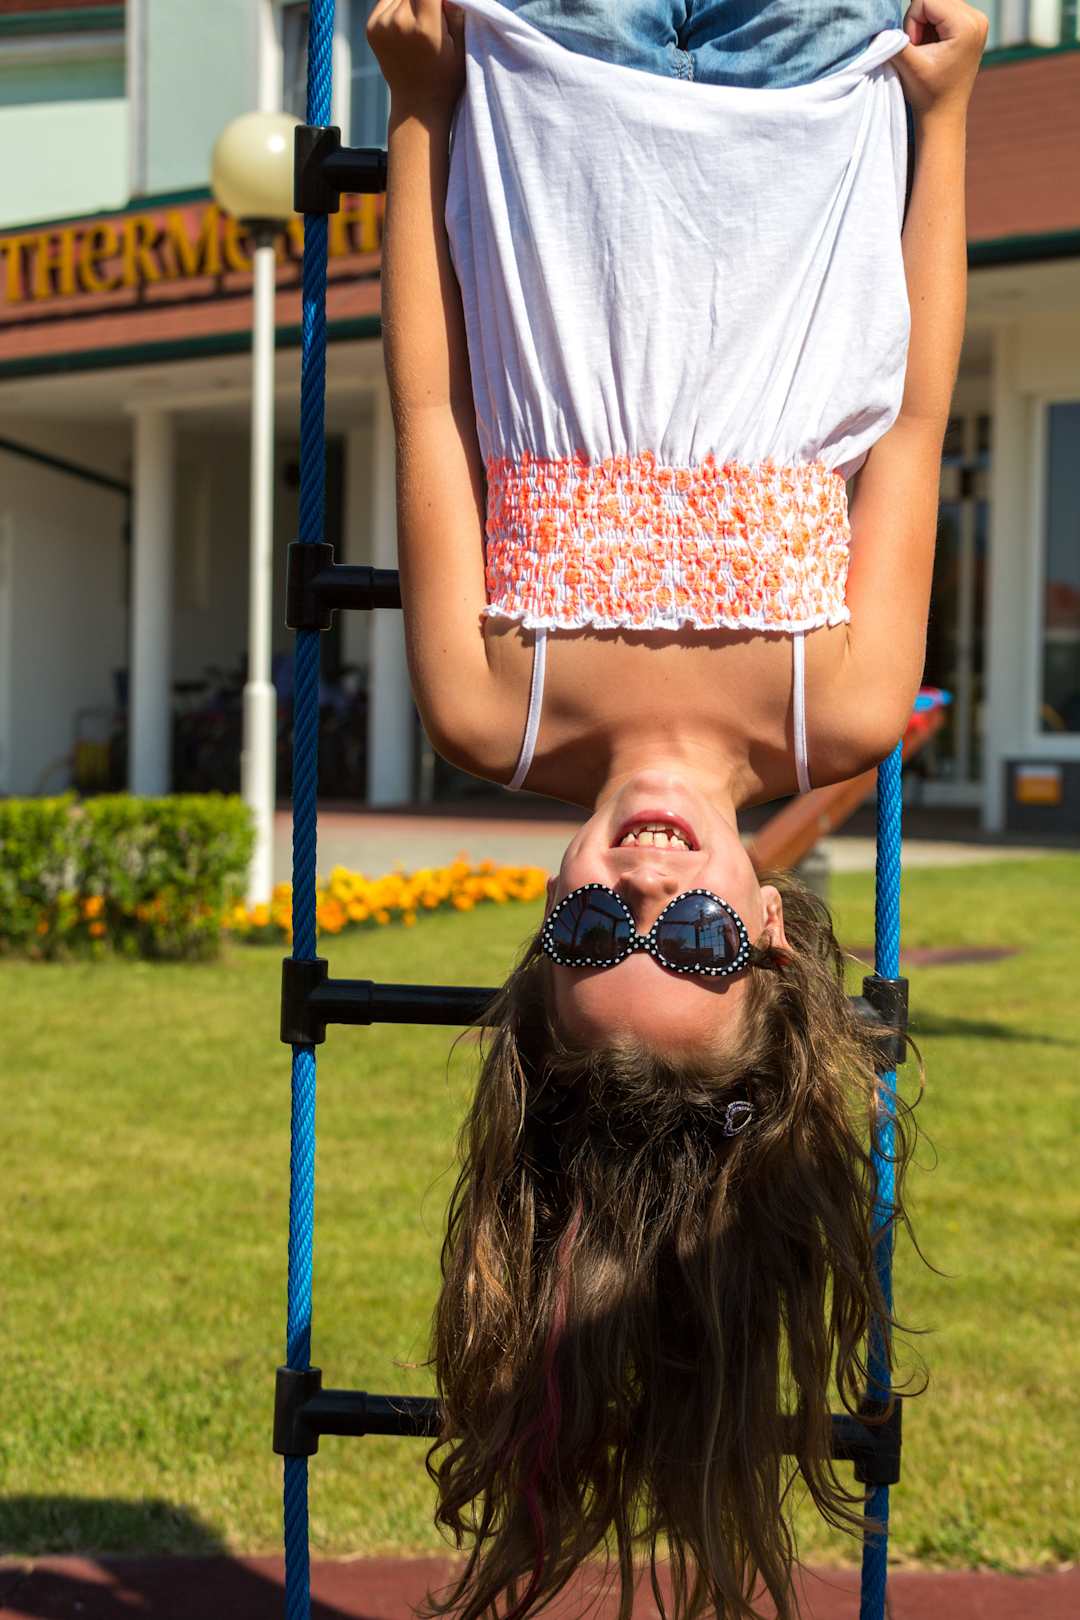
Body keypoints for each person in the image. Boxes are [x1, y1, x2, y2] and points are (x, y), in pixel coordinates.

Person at [364, 2, 987, 1617]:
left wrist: (420, 113)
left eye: (595, 933)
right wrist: (945, 123)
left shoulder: (491, 704)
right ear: (767, 930)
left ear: (544, 924)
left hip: (553, 81)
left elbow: (430, 409)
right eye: (694, 942)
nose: (645, 887)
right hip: (811, 101)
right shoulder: (838, 706)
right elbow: (920, 415)